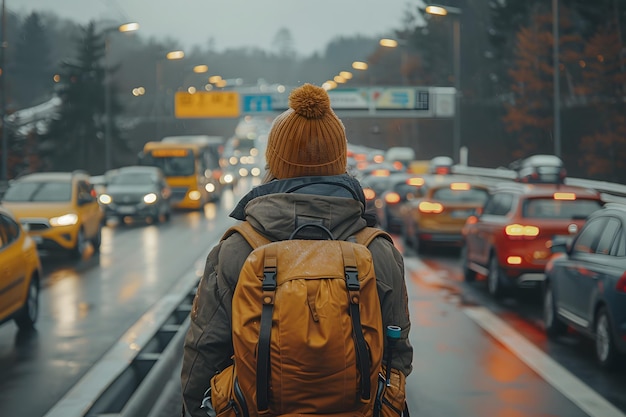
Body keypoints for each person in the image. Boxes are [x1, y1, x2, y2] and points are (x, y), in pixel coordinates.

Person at [181, 83, 413, 417]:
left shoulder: (237, 249)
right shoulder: (377, 251)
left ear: (274, 162)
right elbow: (397, 358)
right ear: (341, 164)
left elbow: (203, 354)